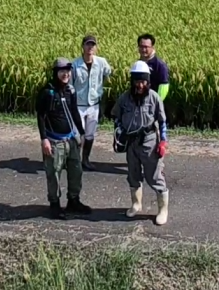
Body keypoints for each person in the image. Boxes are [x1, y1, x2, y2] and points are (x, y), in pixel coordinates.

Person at [112, 61, 169, 225]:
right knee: (133, 175)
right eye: (137, 81)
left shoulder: (154, 97)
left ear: (148, 81)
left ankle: (162, 210)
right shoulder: (124, 98)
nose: (140, 85)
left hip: (150, 143)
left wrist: (163, 141)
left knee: (154, 176)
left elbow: (162, 121)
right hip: (131, 143)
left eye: (143, 81)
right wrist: (118, 133)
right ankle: (136, 205)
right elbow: (116, 117)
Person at [35, 57, 90, 218]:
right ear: (55, 72)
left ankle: (73, 200)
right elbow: (40, 116)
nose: (65, 74)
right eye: (62, 71)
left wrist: (81, 133)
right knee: (54, 174)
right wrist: (44, 139)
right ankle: (54, 204)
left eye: (67, 70)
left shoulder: (70, 90)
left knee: (76, 171)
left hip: (70, 139)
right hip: (54, 141)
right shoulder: (47, 92)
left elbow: (74, 112)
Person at [70, 34, 113, 169]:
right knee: (76, 135)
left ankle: (85, 160)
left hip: (94, 104)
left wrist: (99, 91)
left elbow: (108, 73)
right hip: (78, 105)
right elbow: (70, 85)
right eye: (87, 44)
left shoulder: (101, 62)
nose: (90, 47)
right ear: (82, 46)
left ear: (96, 47)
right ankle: (74, 160)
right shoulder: (75, 65)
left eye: (92, 45)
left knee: (90, 135)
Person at [137, 33, 171, 101]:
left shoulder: (160, 65)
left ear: (152, 47)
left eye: (146, 47)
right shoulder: (138, 64)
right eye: (141, 46)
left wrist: (156, 102)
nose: (143, 50)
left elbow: (164, 86)